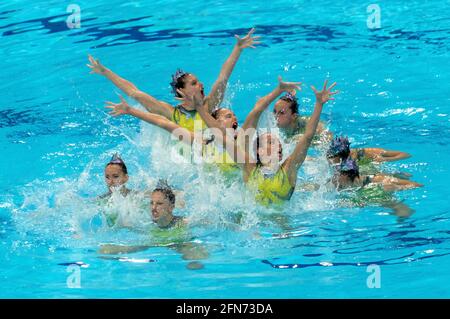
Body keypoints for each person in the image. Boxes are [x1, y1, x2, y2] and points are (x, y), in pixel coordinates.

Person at [190, 77, 338, 207]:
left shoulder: (289, 169)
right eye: (271, 142)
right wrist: (199, 108)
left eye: (277, 143)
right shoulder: (249, 167)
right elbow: (221, 137)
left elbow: (307, 138)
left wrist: (319, 104)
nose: (279, 145)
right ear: (258, 151)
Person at [87, 28, 261, 132]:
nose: (201, 85)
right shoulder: (171, 114)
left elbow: (223, 76)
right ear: (181, 91)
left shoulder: (210, 106)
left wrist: (238, 49)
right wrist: (105, 71)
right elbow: (134, 93)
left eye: (199, 81)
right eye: (194, 83)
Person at [98, 180, 208, 269]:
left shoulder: (182, 222)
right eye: (152, 203)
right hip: (152, 243)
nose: (153, 208)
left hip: (179, 244)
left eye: (159, 204)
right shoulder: (147, 224)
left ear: (171, 207)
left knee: (195, 262)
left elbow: (204, 221)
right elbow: (126, 225)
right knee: (106, 251)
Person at [334, 158, 423, 219]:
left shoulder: (376, 181)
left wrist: (397, 187)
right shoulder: (339, 182)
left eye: (337, 174)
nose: (335, 176)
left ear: (345, 175)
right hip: (362, 192)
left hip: (374, 191)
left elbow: (416, 185)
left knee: (398, 208)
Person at [327, 136, 412, 175]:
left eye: (335, 158)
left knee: (404, 175)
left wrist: (385, 160)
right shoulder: (331, 157)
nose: (332, 160)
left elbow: (405, 155)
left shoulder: (366, 152)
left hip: (374, 171)